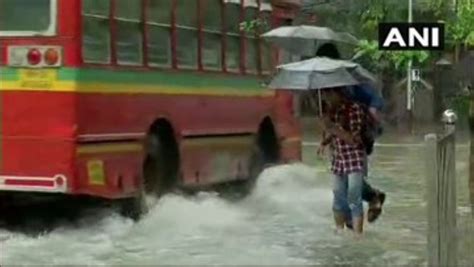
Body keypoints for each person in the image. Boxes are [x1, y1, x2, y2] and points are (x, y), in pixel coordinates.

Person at [316, 87, 368, 236]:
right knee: (338, 196)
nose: (326, 99)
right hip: (339, 160)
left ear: (338, 93)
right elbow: (334, 135)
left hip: (354, 159)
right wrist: (324, 142)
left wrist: (332, 127)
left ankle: (358, 234)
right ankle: (340, 231)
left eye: (329, 94)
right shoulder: (332, 112)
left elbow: (354, 140)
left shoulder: (354, 109)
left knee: (353, 196)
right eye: (324, 95)